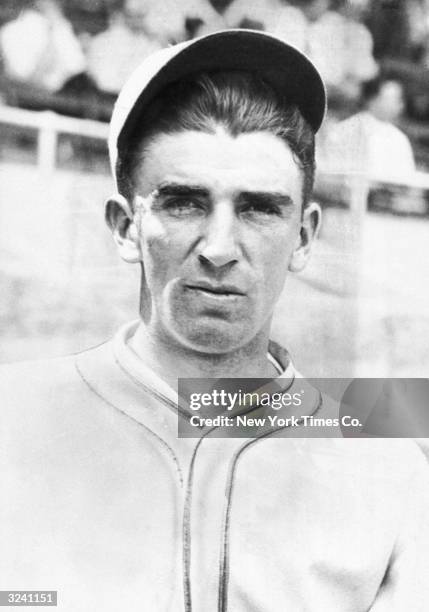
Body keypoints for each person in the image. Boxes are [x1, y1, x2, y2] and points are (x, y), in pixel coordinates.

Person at [1, 30, 429, 611]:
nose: (220, 248)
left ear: (303, 237)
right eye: (184, 203)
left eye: (258, 209)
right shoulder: (15, 416)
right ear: (126, 227)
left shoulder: (387, 463)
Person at [324, 75, 416, 181]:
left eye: (400, 100)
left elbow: (407, 178)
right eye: (394, 99)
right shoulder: (346, 129)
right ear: (372, 99)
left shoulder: (399, 138)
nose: (400, 105)